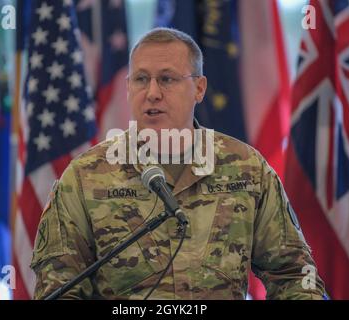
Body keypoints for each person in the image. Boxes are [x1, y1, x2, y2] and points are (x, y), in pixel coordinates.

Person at [30, 27, 326, 299]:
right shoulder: (84, 177)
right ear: (129, 87)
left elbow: (294, 275)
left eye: (167, 79)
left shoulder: (247, 169)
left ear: (199, 88)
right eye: (141, 79)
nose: (153, 93)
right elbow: (58, 289)